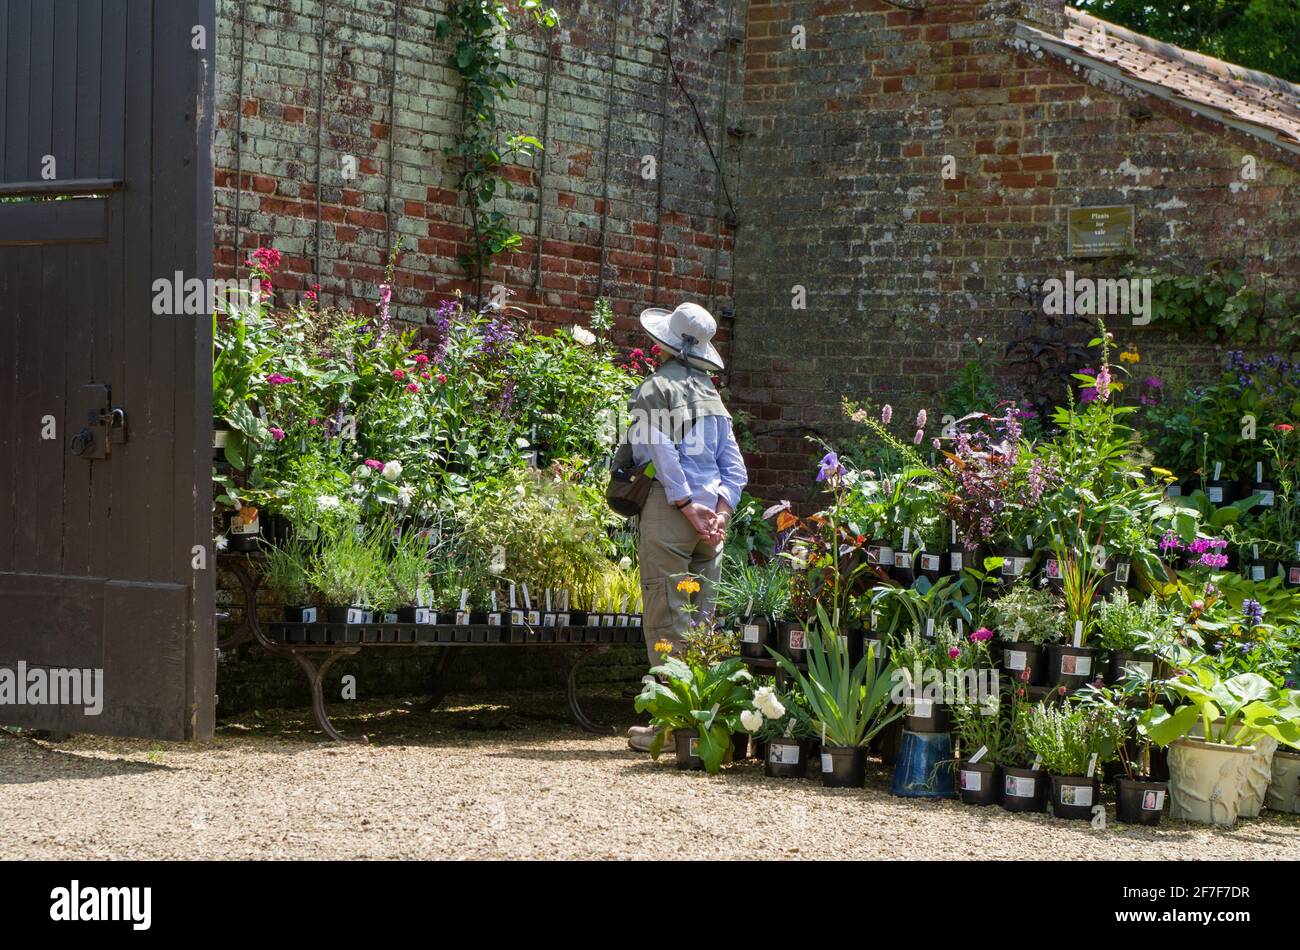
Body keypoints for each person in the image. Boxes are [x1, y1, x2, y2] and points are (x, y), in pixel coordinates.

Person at [624, 302, 747, 753]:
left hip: (672, 513)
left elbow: (661, 452)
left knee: (666, 615)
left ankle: (667, 724)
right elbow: (735, 469)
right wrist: (718, 512)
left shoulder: (655, 388)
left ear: (666, 343)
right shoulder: (714, 399)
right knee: (702, 620)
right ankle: (700, 722)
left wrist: (685, 504)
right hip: (710, 522)